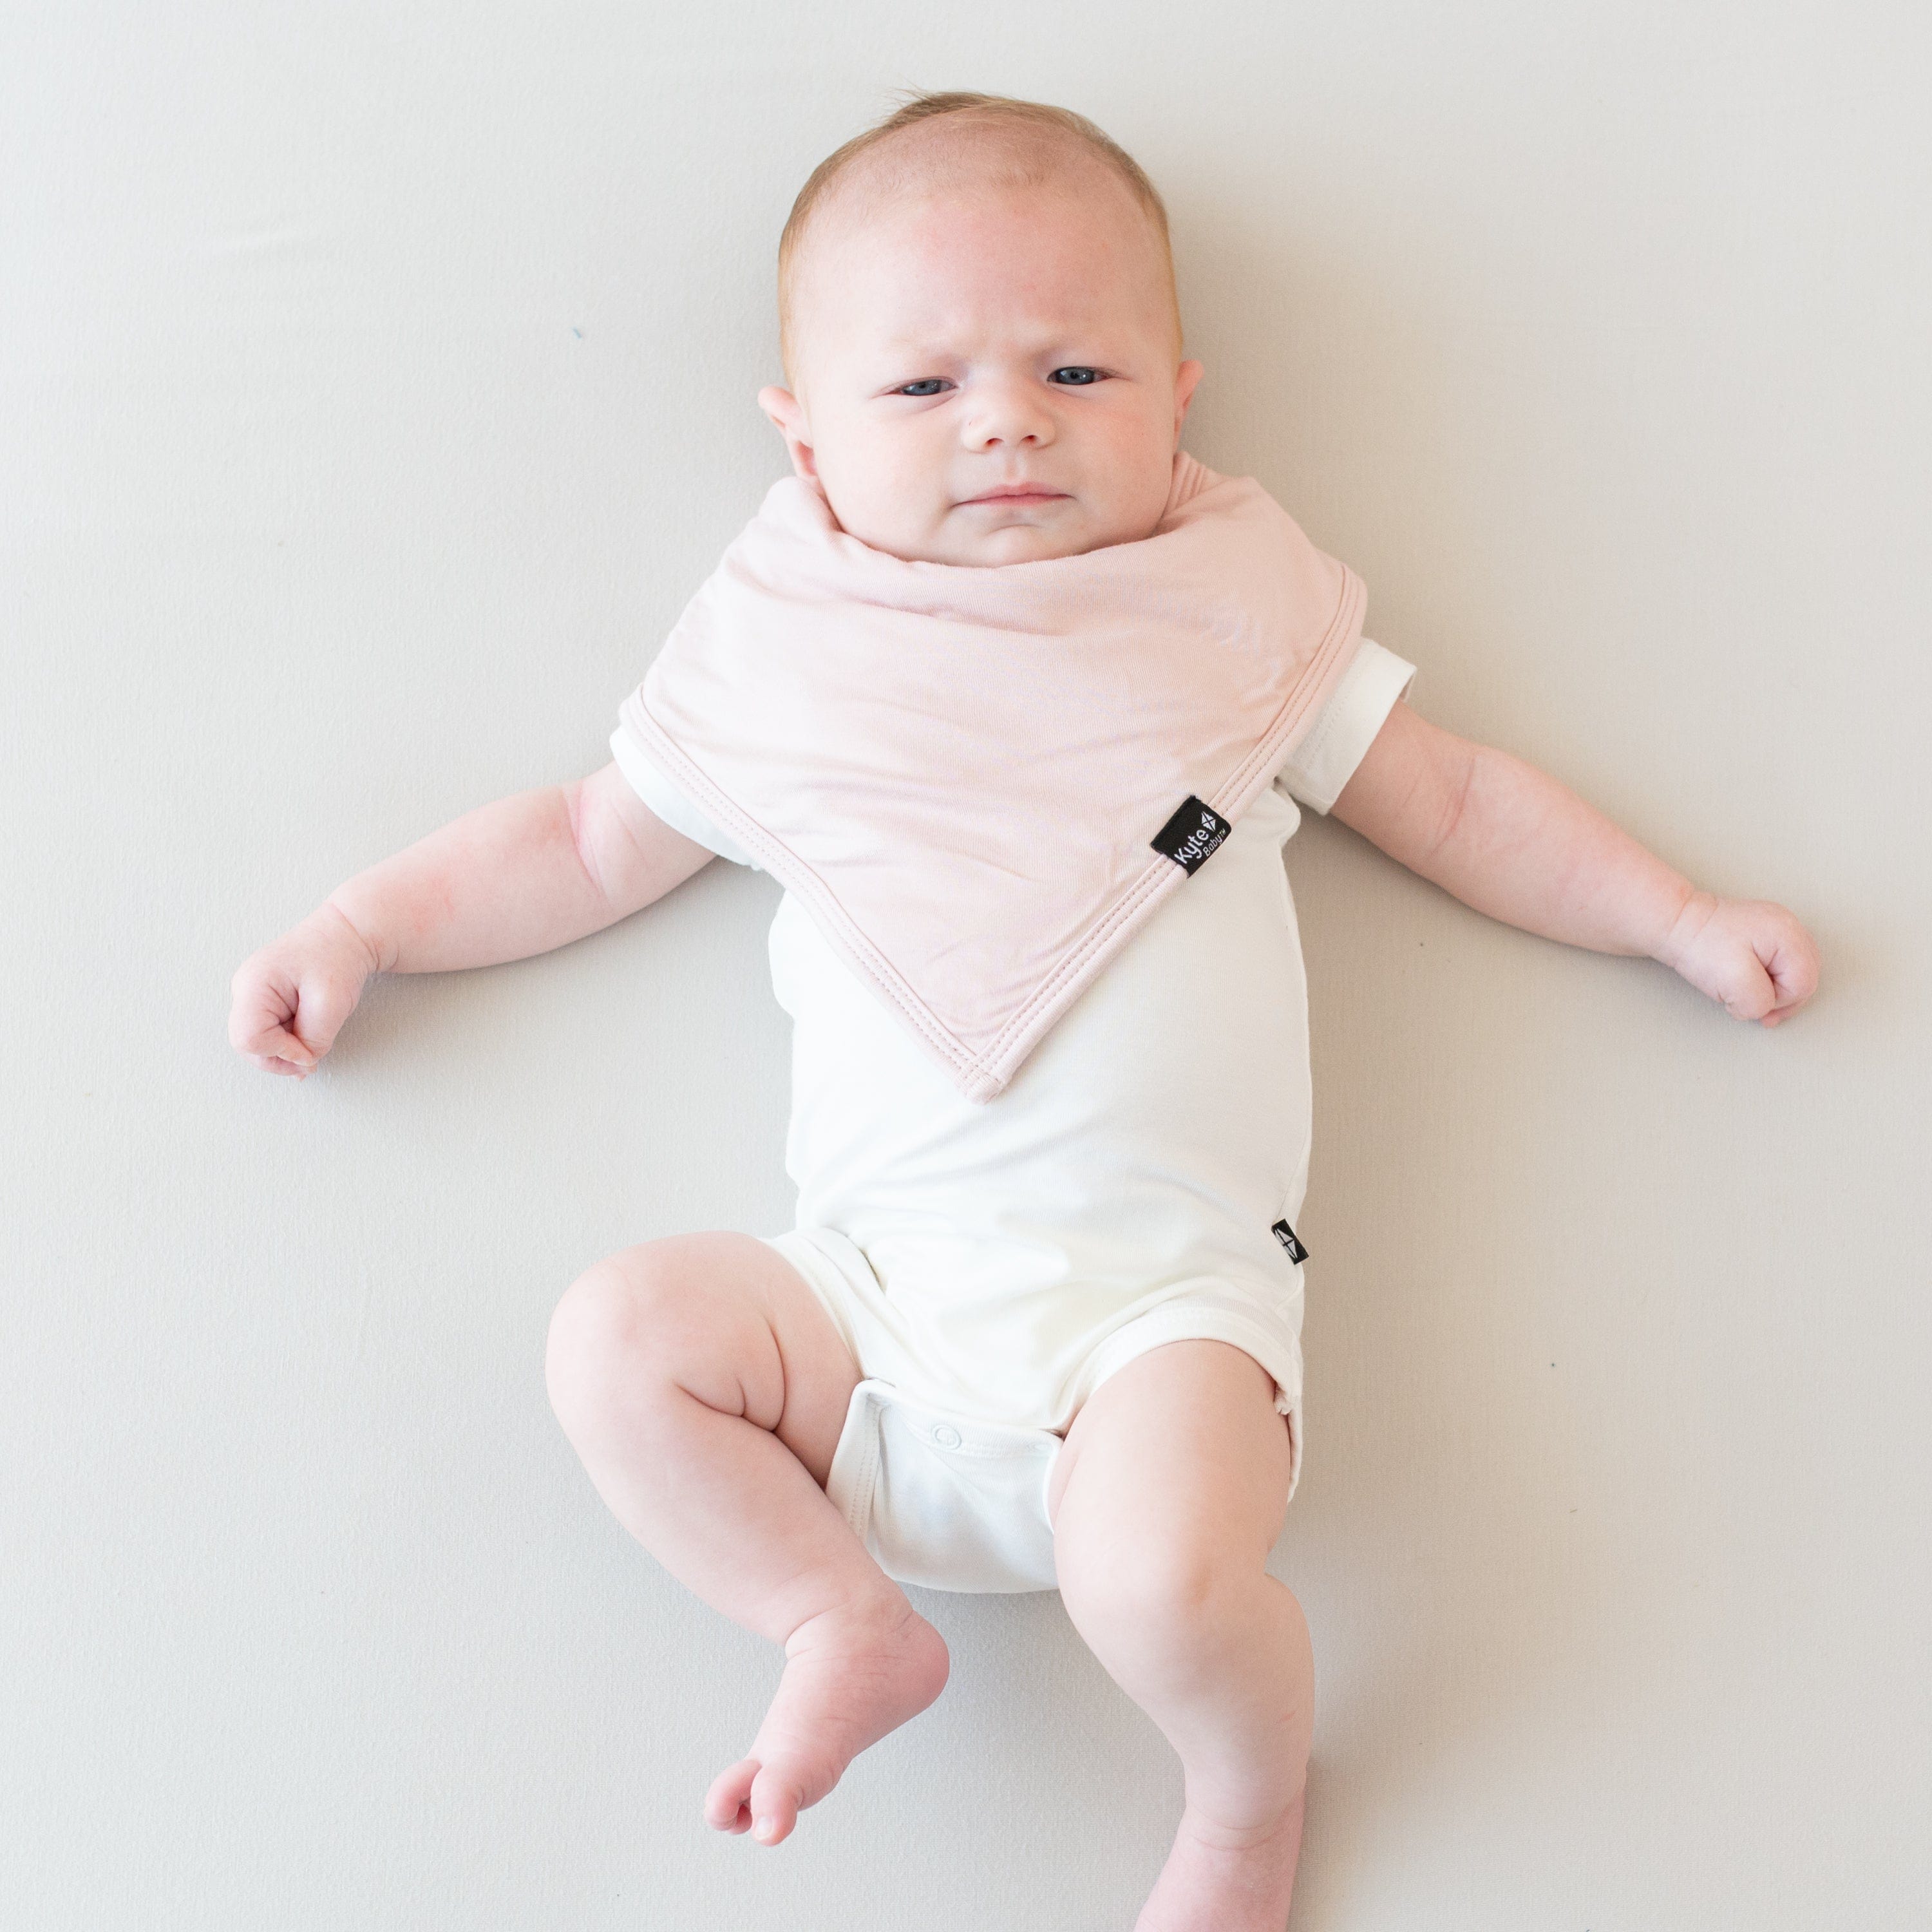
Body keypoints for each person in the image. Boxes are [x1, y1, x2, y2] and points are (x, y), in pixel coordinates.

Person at [229, 91, 1820, 1932]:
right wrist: (365, 925)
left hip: (1160, 1319)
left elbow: (1455, 800)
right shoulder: (792, 656)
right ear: (802, 435)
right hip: (859, 1312)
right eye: (923, 388)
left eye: (1077, 372)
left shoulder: (1227, 620)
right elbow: (586, 845)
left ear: (1181, 398)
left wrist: (1676, 917)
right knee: (619, 1338)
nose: (1006, 421)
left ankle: (1242, 1808)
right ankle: (836, 1615)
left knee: (1162, 1591)